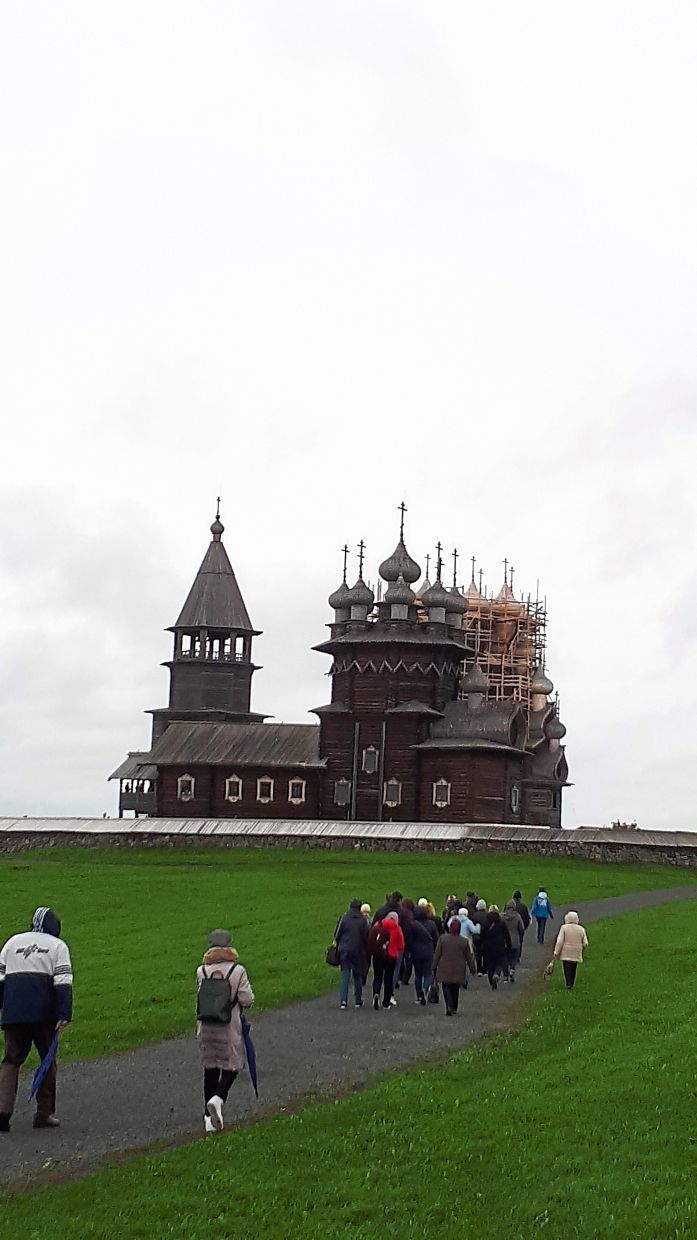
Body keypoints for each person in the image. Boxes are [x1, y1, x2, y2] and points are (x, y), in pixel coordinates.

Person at [0, 907, 73, 1134]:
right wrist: (64, 1015)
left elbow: (1, 980)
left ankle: (2, 1113)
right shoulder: (58, 947)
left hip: (13, 1014)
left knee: (11, 1061)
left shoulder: (12, 943)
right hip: (43, 1015)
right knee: (47, 1060)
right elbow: (63, 982)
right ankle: (43, 1113)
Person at [196, 929, 254, 1133]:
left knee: (210, 1070)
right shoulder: (237, 971)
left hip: (205, 1027)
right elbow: (247, 999)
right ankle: (218, 1099)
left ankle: (208, 1121)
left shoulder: (201, 971)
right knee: (232, 1067)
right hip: (228, 1027)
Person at [335, 900, 369, 1009]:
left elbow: (337, 934)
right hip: (358, 951)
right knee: (357, 976)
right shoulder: (363, 920)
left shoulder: (344, 918)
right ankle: (358, 1000)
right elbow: (366, 936)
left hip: (344, 950)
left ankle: (343, 1001)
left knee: (345, 975)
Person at [432, 919, 469, 1016]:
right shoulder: (463, 941)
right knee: (455, 988)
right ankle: (454, 1006)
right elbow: (469, 956)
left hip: (444, 967)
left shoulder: (442, 939)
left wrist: (433, 966)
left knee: (446, 987)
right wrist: (473, 968)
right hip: (458, 968)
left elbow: (437, 954)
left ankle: (448, 1005)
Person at [368, 912, 404, 1010]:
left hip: (378, 954)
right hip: (391, 956)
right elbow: (401, 945)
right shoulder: (397, 928)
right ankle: (386, 1002)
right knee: (388, 979)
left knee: (377, 977)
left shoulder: (378, 925)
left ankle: (376, 993)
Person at [408, 906, 437, 1005]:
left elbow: (409, 939)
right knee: (428, 973)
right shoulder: (432, 924)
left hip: (416, 952)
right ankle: (426, 989)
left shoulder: (413, 925)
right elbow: (436, 938)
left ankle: (419, 996)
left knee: (418, 975)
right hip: (428, 951)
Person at [553, 912, 589, 990]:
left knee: (567, 968)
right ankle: (572, 983)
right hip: (576, 952)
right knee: (573, 968)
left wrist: (556, 952)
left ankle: (568, 984)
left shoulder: (564, 928)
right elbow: (585, 943)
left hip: (566, 952)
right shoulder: (581, 929)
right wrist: (581, 948)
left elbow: (560, 941)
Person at [482, 906, 511, 989]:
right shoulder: (501, 922)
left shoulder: (485, 922)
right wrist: (508, 945)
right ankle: (496, 974)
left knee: (489, 964)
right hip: (499, 946)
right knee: (499, 962)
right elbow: (507, 935)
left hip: (488, 947)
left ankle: (491, 979)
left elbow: (482, 935)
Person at [501, 901, 525, 982]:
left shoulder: (502, 917)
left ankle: (505, 976)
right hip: (515, 940)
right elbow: (522, 928)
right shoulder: (517, 916)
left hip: (504, 941)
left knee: (505, 958)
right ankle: (512, 969)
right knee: (514, 957)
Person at [472, 899, 491, 975]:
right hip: (486, 937)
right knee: (486, 954)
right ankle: (485, 970)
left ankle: (479, 970)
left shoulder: (474, 916)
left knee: (478, 954)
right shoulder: (488, 915)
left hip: (477, 937)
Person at [512, 890, 531, 958]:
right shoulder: (524, 907)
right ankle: (518, 956)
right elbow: (527, 918)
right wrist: (525, 927)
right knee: (520, 942)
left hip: (511, 927)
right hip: (521, 927)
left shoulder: (509, 906)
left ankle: (512, 957)